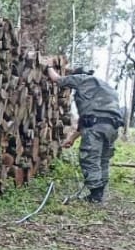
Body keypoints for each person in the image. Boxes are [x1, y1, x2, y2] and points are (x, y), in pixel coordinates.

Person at [46, 66, 124, 203]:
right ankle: (100, 191)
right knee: (102, 159)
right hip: (112, 127)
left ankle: (95, 195)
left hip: (95, 126)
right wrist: (71, 139)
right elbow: (88, 121)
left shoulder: (81, 79)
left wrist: (48, 67)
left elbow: (57, 79)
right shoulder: (105, 86)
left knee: (90, 158)